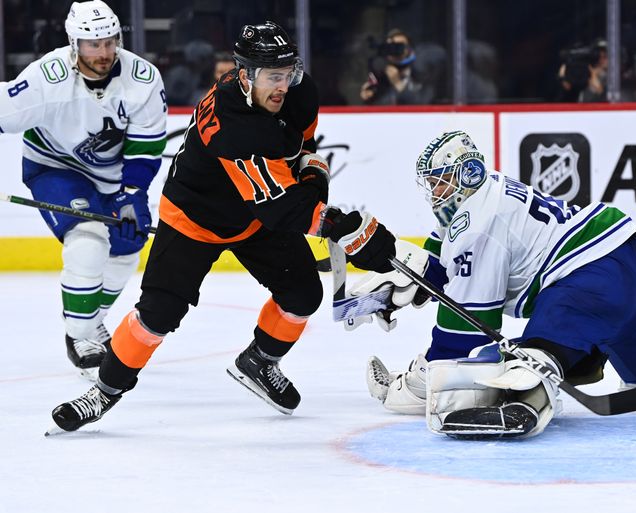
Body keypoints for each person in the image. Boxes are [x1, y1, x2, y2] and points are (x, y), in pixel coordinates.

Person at [48, 21, 397, 433]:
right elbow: (281, 209)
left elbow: (304, 150)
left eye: (287, 74)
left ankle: (259, 362)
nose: (283, 86)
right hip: (194, 218)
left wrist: (315, 183)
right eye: (272, 77)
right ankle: (104, 390)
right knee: (158, 315)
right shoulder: (234, 123)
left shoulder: (300, 93)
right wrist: (342, 228)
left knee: (303, 294)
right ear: (246, 75)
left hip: (254, 217)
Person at [348, 130, 636, 439]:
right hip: (631, 267)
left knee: (534, 355)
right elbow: (454, 254)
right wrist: (416, 277)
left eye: (440, 182)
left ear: (462, 174)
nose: (435, 193)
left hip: (588, 284)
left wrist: (417, 382)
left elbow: (464, 330)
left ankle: (521, 398)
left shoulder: (473, 223)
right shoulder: (494, 189)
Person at [0, 1, 166, 379]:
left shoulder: (142, 78)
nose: (104, 53)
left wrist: (134, 194)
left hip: (115, 177)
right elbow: (3, 110)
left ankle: (93, 321)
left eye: (110, 42)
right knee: (89, 241)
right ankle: (79, 336)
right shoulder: (48, 77)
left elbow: (145, 145)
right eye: (93, 45)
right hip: (55, 167)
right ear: (74, 44)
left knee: (127, 249)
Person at [359, 29, 435, 105]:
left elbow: (422, 105)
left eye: (400, 46)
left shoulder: (421, 75)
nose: (394, 50)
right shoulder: (379, 76)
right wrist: (368, 96)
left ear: (409, 49)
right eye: (390, 46)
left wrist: (398, 83)